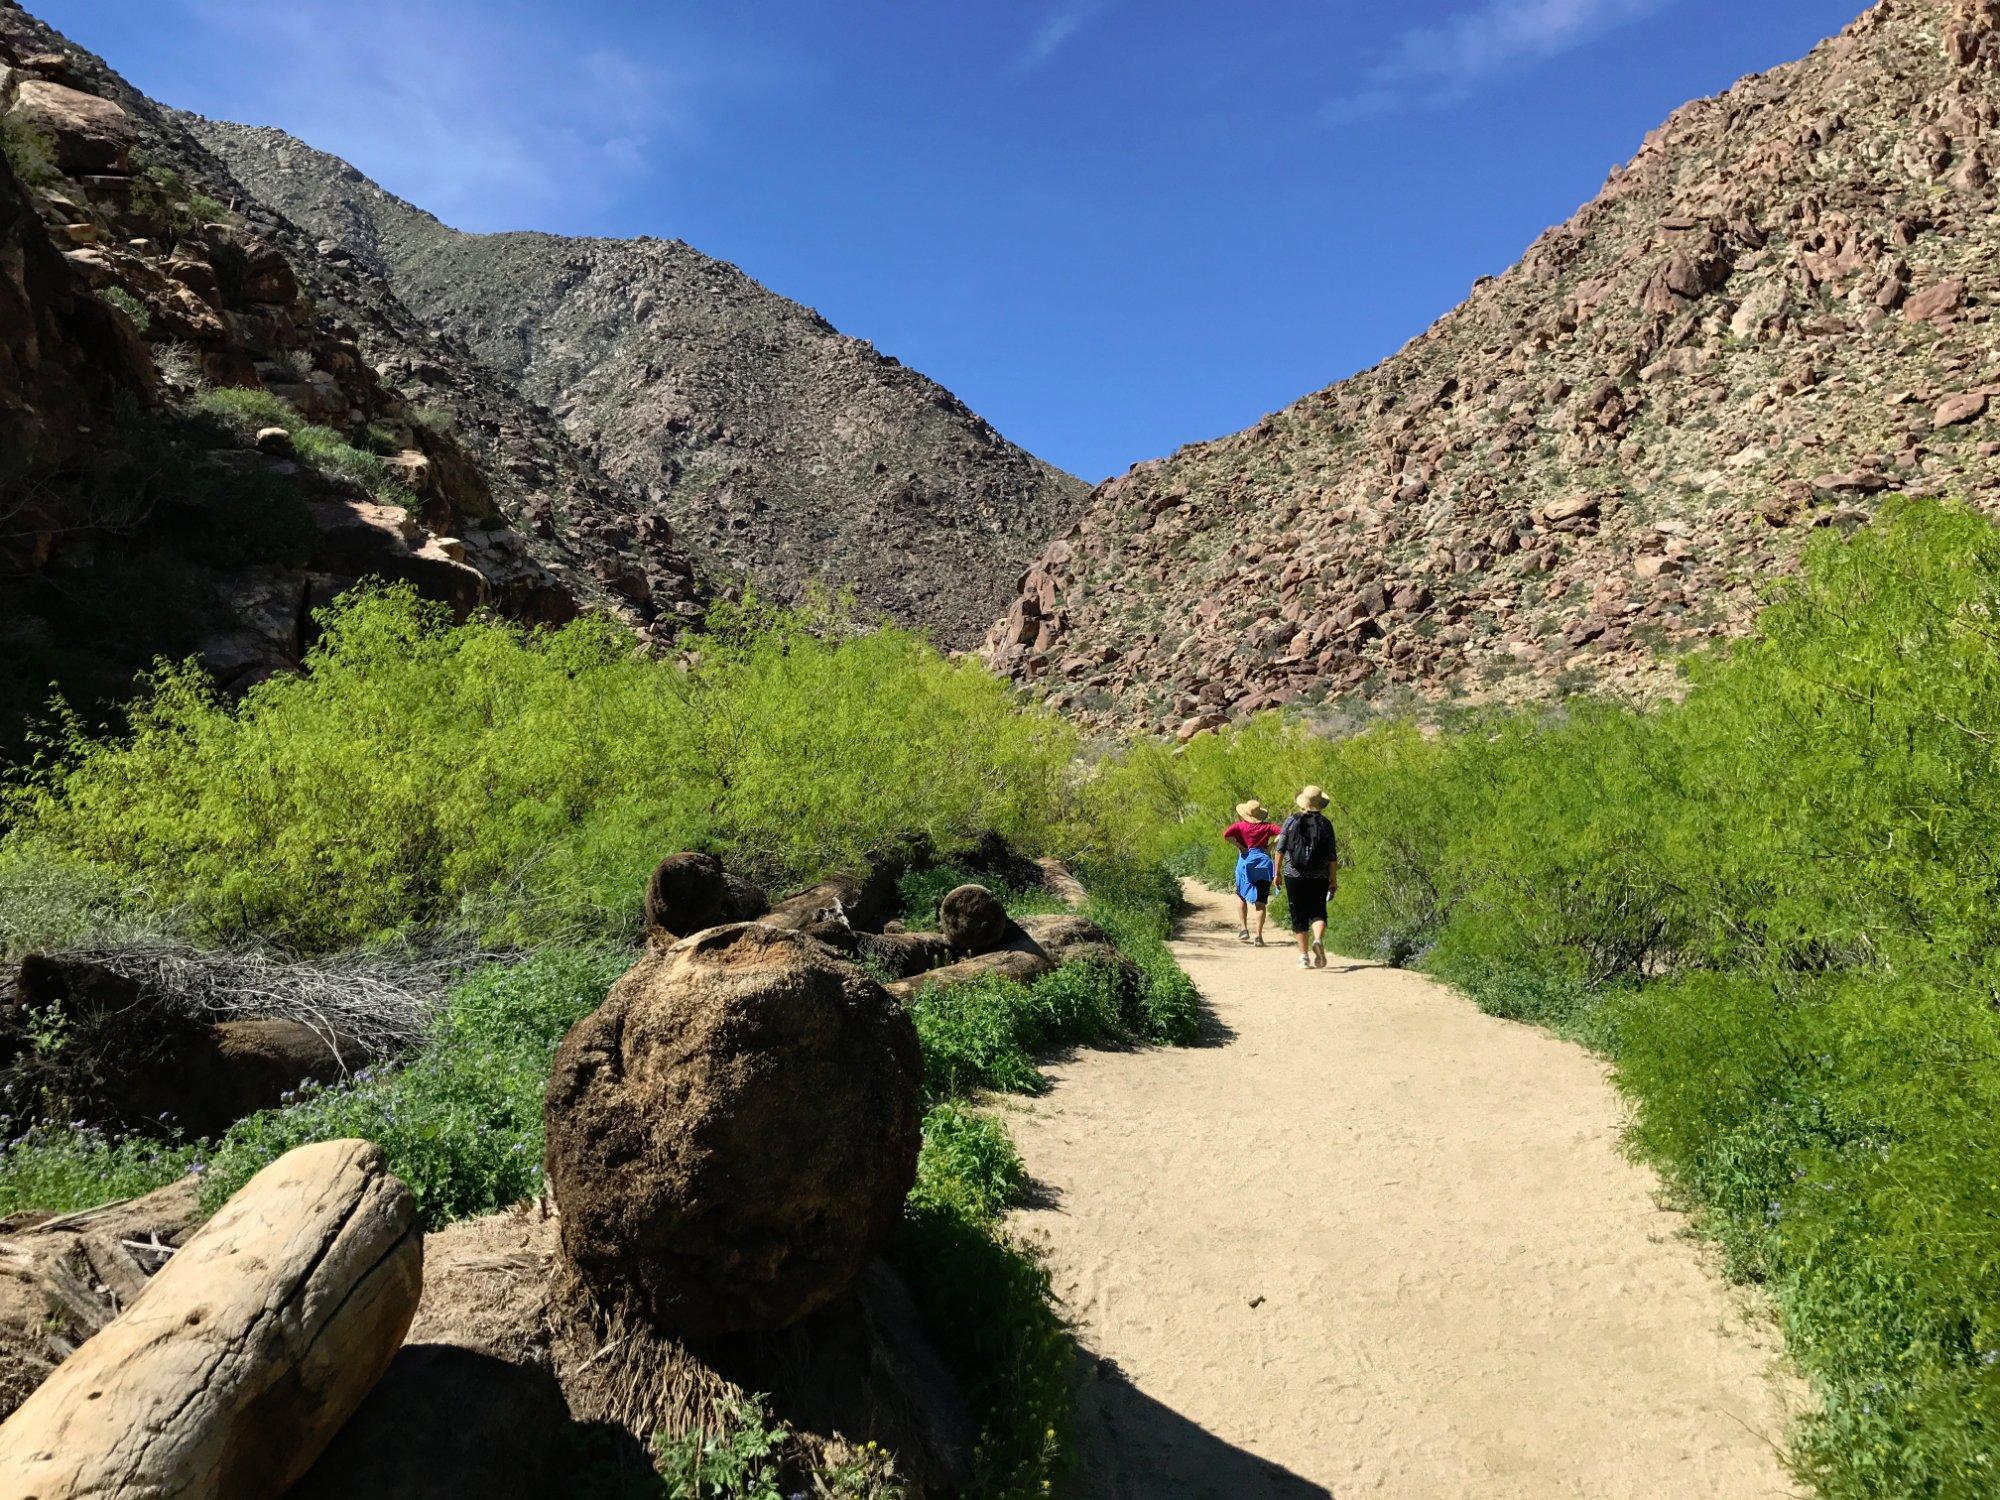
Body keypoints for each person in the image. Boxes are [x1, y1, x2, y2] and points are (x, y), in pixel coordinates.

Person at [1274, 785, 1337, 970]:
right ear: (1320, 803)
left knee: (1298, 914)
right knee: (1318, 911)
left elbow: (1280, 849)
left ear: (1303, 802)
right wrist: (1333, 879)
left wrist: (1276, 873)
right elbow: (1332, 856)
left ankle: (1303, 957)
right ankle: (1317, 939)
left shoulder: (1291, 821)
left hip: (1294, 875)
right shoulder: (1325, 824)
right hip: (1320, 875)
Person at [1222, 800, 1282, 944]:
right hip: (1264, 864)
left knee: (1241, 896)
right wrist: (1271, 846)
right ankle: (1259, 937)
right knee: (1261, 903)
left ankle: (1244, 929)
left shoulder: (1240, 826)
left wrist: (1240, 846)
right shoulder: (1268, 827)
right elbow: (1284, 833)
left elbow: (1226, 835)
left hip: (1245, 864)